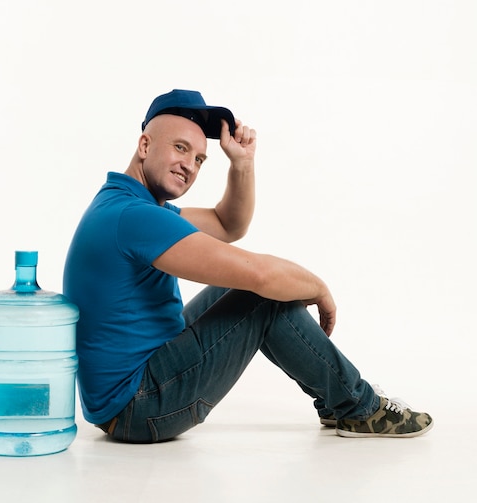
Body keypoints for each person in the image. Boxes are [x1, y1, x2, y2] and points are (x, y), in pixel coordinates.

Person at [63, 89, 433, 443]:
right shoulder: (135, 218)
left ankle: (338, 401)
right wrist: (319, 287)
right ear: (145, 145)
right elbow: (260, 274)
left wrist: (242, 163)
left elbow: (228, 225)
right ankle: (361, 407)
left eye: (199, 159)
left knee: (245, 289)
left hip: (124, 399)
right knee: (260, 294)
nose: (189, 166)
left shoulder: (126, 206)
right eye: (180, 148)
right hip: (138, 407)